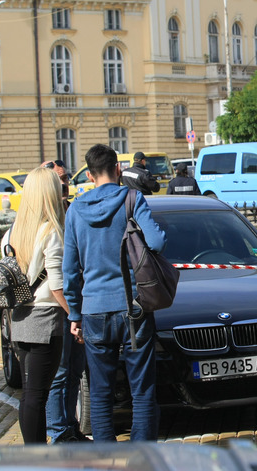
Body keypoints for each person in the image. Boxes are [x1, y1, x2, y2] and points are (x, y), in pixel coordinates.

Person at [63, 144, 167, 442]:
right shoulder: (132, 199)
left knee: (100, 391)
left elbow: (70, 269)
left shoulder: (75, 210)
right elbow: (156, 243)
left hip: (94, 309)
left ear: (90, 173)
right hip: (133, 306)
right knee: (142, 389)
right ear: (117, 169)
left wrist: (74, 312)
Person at [4, 167, 72, 444]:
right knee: (38, 394)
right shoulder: (50, 231)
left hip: (19, 318)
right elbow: (57, 284)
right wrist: (76, 315)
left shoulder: (13, 232)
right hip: (45, 318)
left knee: (30, 394)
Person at [40, 159, 87, 443]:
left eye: (66, 177)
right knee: (59, 374)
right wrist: (74, 315)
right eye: (58, 180)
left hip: (77, 304)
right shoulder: (43, 222)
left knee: (75, 371)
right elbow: (55, 281)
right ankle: (58, 433)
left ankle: (71, 428)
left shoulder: (72, 212)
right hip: (58, 311)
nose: (64, 183)